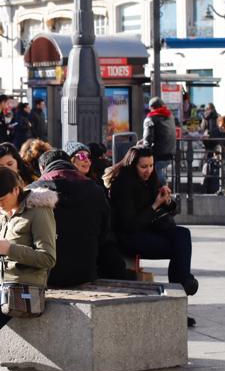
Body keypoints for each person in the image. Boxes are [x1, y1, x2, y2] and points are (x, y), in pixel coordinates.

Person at [0, 166, 56, 371]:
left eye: (1, 200)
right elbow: (0, 257)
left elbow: (48, 258)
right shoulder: (3, 211)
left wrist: (9, 249)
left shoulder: (39, 212)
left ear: (16, 190)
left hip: (19, 285)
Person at [105, 143, 199, 303]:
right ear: (133, 165)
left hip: (152, 229)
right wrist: (155, 205)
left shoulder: (151, 178)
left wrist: (167, 200)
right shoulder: (123, 185)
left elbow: (170, 210)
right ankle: (181, 291)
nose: (148, 170)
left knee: (183, 234)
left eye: (151, 165)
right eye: (143, 166)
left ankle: (181, 289)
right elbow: (129, 224)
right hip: (129, 237)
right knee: (179, 248)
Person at [33, 149, 129, 286]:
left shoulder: (32, 193)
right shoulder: (95, 190)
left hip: (46, 276)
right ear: (69, 164)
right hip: (86, 273)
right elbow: (105, 233)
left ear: (42, 168)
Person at [0, 143, 36, 227]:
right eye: (0, 166)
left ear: (17, 164)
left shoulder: (32, 180)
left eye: (10, 164)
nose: (6, 169)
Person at [142, 97, 176, 186]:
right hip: (170, 152)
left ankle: (163, 188)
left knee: (154, 170)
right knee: (158, 169)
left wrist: (143, 149)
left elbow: (147, 140)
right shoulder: (170, 116)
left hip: (159, 154)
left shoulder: (150, 118)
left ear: (151, 107)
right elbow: (161, 133)